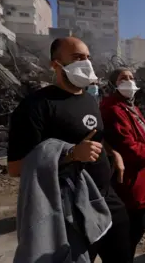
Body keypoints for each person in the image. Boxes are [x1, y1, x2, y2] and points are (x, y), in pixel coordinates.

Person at [7, 37, 132, 263]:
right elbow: (15, 167)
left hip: (106, 196)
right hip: (71, 205)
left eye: (87, 57)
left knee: (123, 253)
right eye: (77, 58)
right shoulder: (35, 107)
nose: (85, 63)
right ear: (55, 65)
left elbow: (93, 137)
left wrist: (114, 152)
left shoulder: (89, 99)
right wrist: (71, 154)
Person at [100, 67, 145, 259]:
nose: (129, 81)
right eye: (123, 78)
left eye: (131, 77)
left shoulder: (131, 107)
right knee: (131, 233)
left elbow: (141, 138)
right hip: (131, 182)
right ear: (114, 83)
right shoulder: (113, 109)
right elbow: (131, 152)